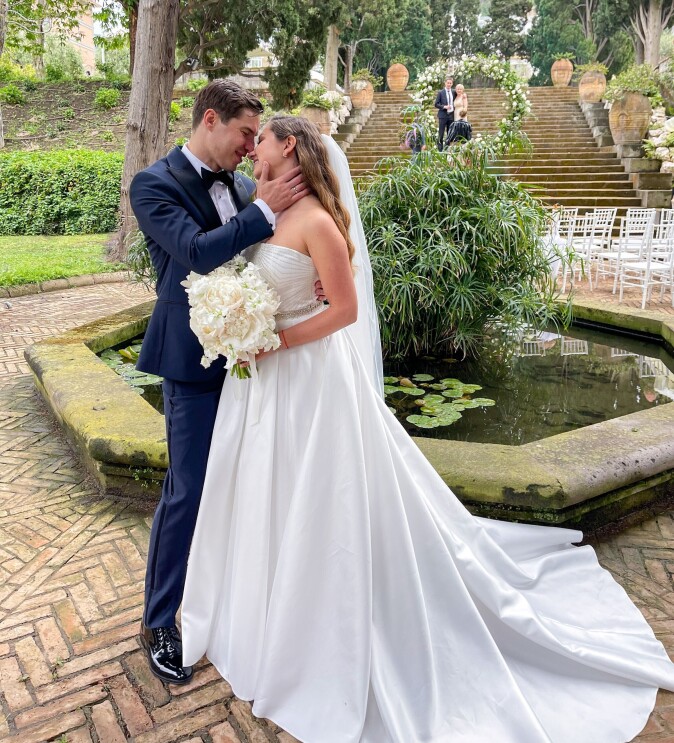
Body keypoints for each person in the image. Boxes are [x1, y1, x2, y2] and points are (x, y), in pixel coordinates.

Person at [181, 115, 674, 742]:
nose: (253, 154)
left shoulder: (321, 225)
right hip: (264, 385)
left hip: (309, 381)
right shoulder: (263, 210)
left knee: (319, 496)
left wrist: (271, 339)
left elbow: (345, 310)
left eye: (264, 144)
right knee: (266, 488)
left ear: (293, 149)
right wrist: (237, 327)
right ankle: (262, 609)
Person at [129, 80, 312, 685]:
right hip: (192, 364)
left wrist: (302, 285)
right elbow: (198, 252)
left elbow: (268, 257)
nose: (249, 147)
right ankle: (159, 621)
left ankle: (231, 606)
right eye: (243, 134)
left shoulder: (240, 184)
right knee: (186, 491)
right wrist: (263, 209)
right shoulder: (154, 185)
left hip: (254, 360)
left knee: (243, 486)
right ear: (210, 120)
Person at [434, 75, 455, 151]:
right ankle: (440, 150)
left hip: (451, 116)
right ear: (445, 83)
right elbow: (436, 104)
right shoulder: (441, 92)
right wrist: (444, 107)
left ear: (452, 84)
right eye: (448, 83)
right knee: (441, 133)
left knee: (450, 133)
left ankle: (447, 148)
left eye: (450, 83)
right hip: (443, 115)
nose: (449, 84)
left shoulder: (453, 92)